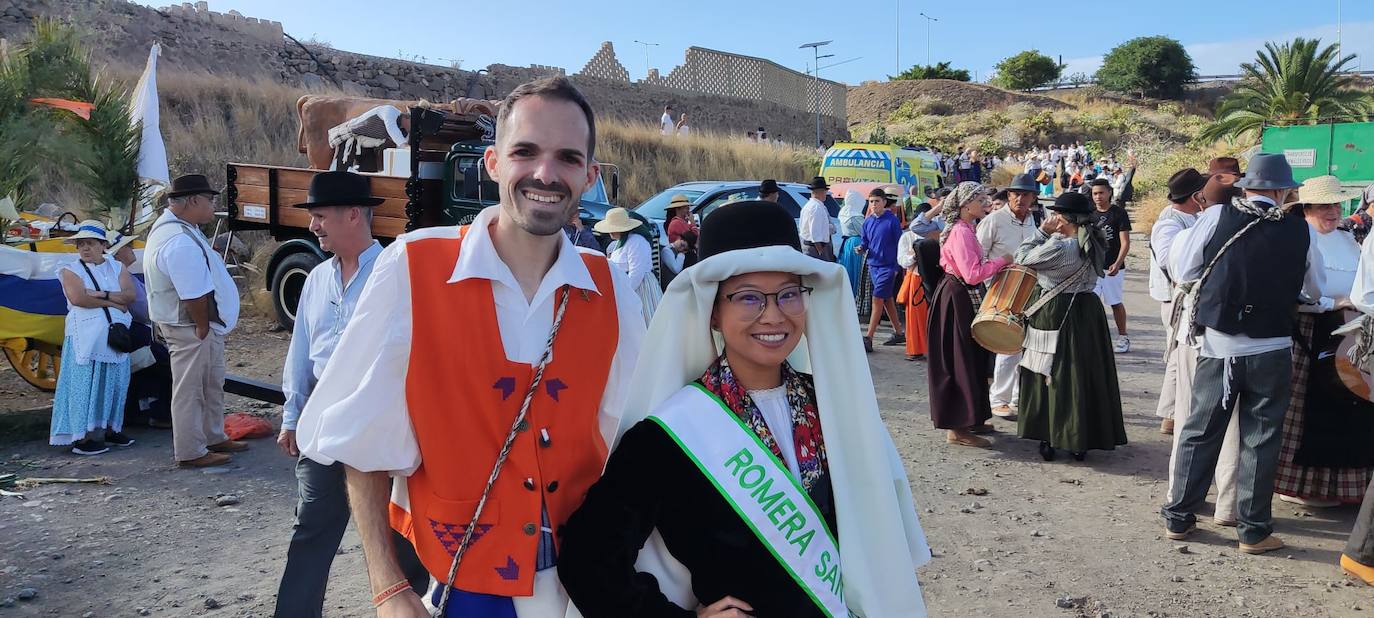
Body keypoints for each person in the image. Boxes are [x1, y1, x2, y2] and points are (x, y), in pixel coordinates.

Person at [296, 76, 646, 615]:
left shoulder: (610, 287)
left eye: (567, 158)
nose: (545, 174)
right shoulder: (413, 268)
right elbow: (359, 439)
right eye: (524, 152)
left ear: (590, 175)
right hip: (468, 587)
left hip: (584, 586)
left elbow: (638, 442)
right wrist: (388, 586)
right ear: (492, 163)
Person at [557, 200, 931, 617]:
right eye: (749, 298)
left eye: (789, 294)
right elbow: (588, 557)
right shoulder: (667, 436)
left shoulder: (835, 409)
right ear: (713, 312)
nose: (774, 316)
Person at [273, 171, 430, 617]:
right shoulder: (317, 278)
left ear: (353, 215)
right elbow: (300, 351)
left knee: (397, 528)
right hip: (325, 415)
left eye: (320, 216)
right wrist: (292, 415)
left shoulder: (396, 274)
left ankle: (405, 607)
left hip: (381, 414)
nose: (312, 226)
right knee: (312, 528)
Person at [1163, 153, 1325, 555]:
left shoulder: (1217, 217)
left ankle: (1179, 519)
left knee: (1201, 430)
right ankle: (1253, 531)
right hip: (1272, 346)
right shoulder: (1300, 231)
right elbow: (1315, 290)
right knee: (1262, 437)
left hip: (1220, 346)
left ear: (1246, 185)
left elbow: (1183, 270)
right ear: (1283, 190)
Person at [1273, 175, 1374, 509]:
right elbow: (1294, 292)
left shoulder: (1347, 239)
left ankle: (1338, 488)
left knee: (1349, 409)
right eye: (1323, 206)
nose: (1331, 211)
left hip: (1350, 331)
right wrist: (1333, 303)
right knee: (1304, 411)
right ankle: (1296, 484)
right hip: (1309, 332)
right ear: (1306, 209)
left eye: (1334, 204)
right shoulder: (1299, 237)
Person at [1013, 192, 1127, 461]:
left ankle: (1049, 434)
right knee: (1083, 373)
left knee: (1048, 370)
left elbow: (1023, 257)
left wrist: (1043, 231)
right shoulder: (1096, 239)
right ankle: (1081, 438)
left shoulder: (1061, 247)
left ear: (1063, 219)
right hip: (1087, 310)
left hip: (1055, 311)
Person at [143, 174, 245, 468]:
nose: (213, 206)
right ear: (193, 201)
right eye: (209, 201)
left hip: (196, 324)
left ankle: (212, 436)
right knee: (190, 389)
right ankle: (190, 451)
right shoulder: (178, 240)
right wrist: (202, 325)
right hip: (190, 325)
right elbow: (193, 294)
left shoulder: (180, 230)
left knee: (211, 382)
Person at [927, 182, 1011, 448]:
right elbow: (972, 274)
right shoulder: (961, 232)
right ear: (965, 206)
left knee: (970, 358)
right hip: (957, 298)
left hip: (960, 296)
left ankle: (971, 418)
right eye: (979, 198)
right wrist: (1003, 261)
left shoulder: (966, 228)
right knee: (960, 360)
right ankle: (957, 429)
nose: (985, 201)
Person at [50, 221, 135, 455]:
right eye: (81, 244)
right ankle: (83, 438)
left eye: (90, 243)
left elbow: (129, 296)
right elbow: (78, 299)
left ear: (103, 245)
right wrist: (111, 301)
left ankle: (110, 428)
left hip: (115, 334)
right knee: (86, 385)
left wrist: (101, 294)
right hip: (85, 337)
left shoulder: (117, 268)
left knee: (114, 383)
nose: (85, 248)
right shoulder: (70, 270)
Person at [978, 173, 1040, 421]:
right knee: (1007, 344)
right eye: (1016, 194)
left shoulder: (1032, 220)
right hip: (1002, 288)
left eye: (1026, 195)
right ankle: (999, 399)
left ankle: (1018, 396)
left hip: (1029, 289)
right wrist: (993, 284)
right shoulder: (994, 220)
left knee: (1026, 343)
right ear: (1009, 195)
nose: (1020, 199)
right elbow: (978, 255)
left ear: (1033, 198)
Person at [1151, 169, 1208, 435]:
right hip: (1175, 300)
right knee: (1179, 357)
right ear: (1196, 195)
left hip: (1186, 300)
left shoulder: (1195, 218)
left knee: (1178, 358)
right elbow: (1168, 261)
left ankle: (1170, 414)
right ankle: (1175, 415)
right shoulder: (1170, 221)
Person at [108, 230, 173, 430]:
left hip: (131, 329)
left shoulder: (119, 273)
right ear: (118, 253)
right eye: (128, 246)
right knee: (166, 360)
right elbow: (143, 310)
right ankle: (161, 412)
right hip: (132, 330)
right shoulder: (122, 275)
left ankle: (144, 409)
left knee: (152, 360)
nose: (132, 248)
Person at [596, 207, 663, 325]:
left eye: (613, 228)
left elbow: (637, 273)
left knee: (645, 323)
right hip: (626, 285)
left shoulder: (636, 241)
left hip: (640, 289)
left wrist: (625, 292)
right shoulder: (619, 242)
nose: (610, 232)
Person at [1089, 174, 1133, 353]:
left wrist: (1118, 262)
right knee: (1090, 302)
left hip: (1113, 267)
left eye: (1101, 193)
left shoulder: (1118, 213)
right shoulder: (1089, 214)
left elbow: (1125, 242)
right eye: (1094, 194)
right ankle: (1092, 338)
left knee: (1115, 302)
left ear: (1109, 193)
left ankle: (1123, 336)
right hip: (1093, 267)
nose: (1098, 197)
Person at [858, 188, 905, 352]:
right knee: (886, 299)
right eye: (871, 201)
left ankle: (869, 337)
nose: (874, 204)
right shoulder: (868, 221)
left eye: (877, 201)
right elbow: (865, 242)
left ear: (884, 202)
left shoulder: (891, 220)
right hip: (874, 265)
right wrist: (861, 248)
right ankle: (899, 333)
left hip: (889, 266)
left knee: (877, 299)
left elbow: (901, 243)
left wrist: (897, 266)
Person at [330, 104, 410, 172]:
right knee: (342, 172)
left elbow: (400, 147)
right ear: (407, 117)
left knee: (369, 174)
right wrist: (405, 146)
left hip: (367, 147)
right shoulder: (389, 111)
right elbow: (391, 128)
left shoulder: (402, 130)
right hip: (351, 140)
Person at [895, 225, 930, 361]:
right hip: (916, 278)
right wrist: (916, 255)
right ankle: (916, 349)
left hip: (935, 277)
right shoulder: (907, 237)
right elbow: (902, 261)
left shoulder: (937, 234)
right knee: (915, 316)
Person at [837, 189, 866, 297]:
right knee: (856, 273)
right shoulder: (855, 216)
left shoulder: (843, 212)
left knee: (848, 270)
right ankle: (855, 297)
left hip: (847, 243)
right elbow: (864, 232)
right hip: (856, 242)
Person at [799, 176, 834, 261]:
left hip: (812, 247)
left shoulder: (810, 205)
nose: (826, 194)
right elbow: (815, 233)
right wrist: (820, 251)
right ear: (821, 191)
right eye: (825, 191)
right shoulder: (816, 207)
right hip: (815, 248)